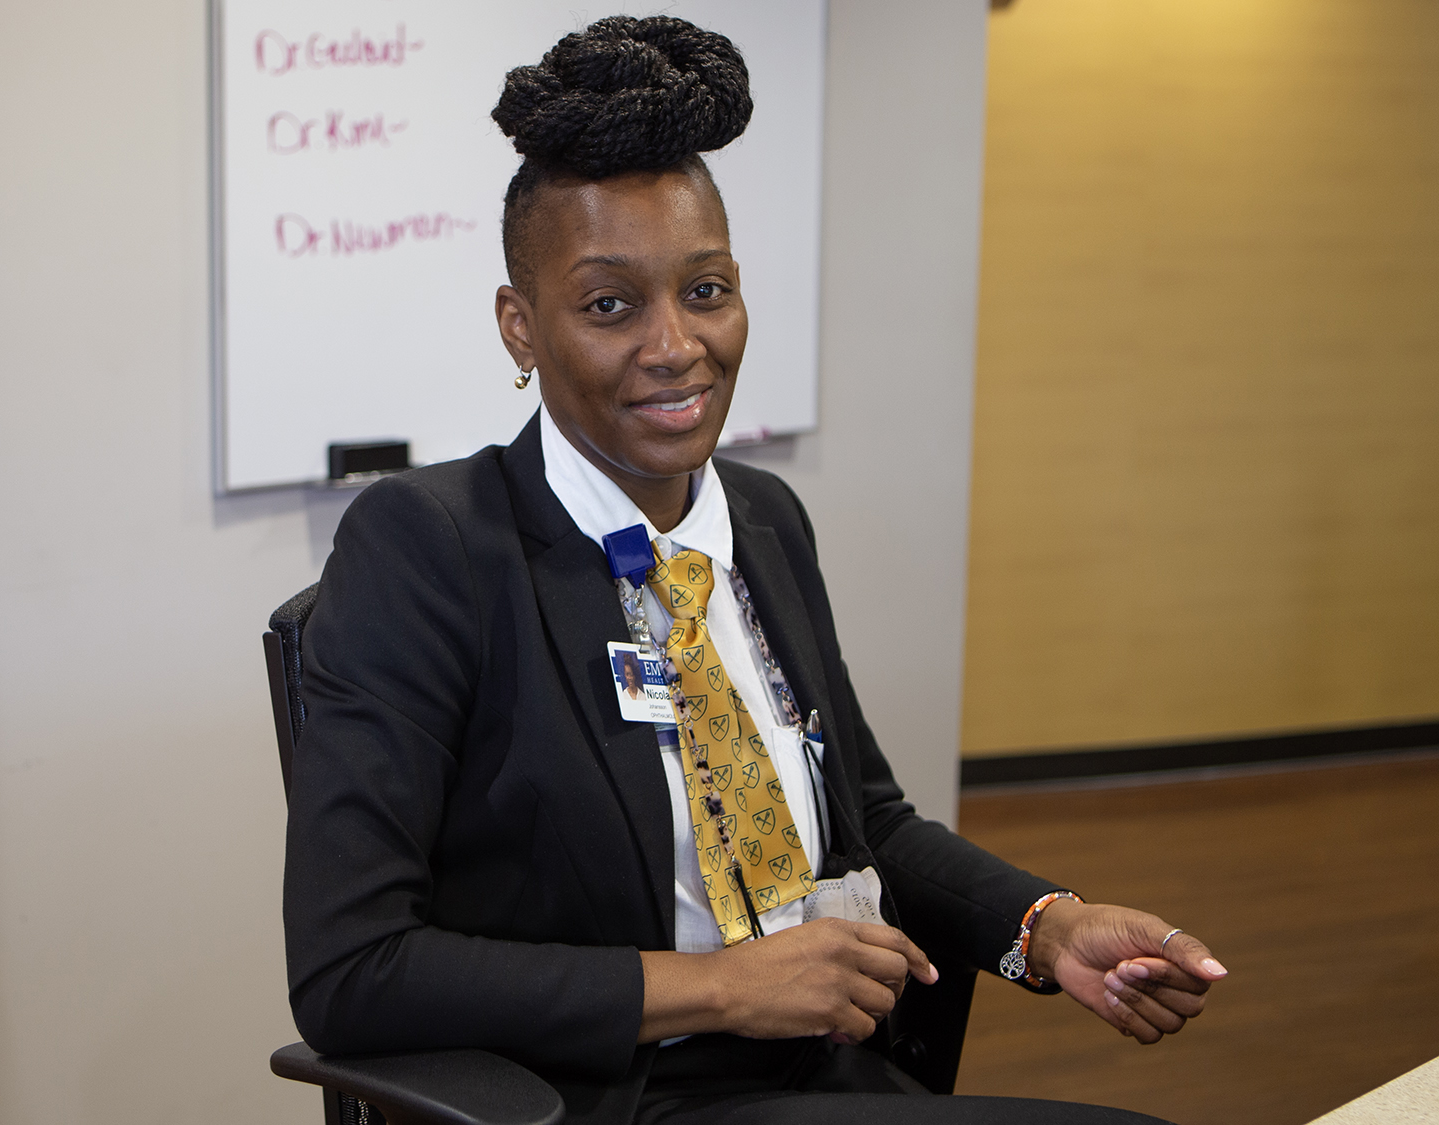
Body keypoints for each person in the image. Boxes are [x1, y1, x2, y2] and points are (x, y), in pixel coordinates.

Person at [283, 16, 1225, 1125]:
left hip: (821, 1068)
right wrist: (723, 989)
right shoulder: (428, 545)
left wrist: (1042, 926)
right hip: (621, 1097)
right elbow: (354, 969)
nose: (675, 345)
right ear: (518, 326)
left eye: (705, 289)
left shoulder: (760, 520)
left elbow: (866, 819)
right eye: (606, 304)